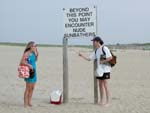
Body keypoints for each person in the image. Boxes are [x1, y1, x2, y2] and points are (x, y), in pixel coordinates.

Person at [79, 37, 112, 107]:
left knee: (105, 85)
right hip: (99, 70)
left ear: (98, 42)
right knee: (100, 85)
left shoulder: (104, 48)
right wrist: (82, 56)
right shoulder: (96, 50)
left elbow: (110, 58)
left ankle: (108, 102)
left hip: (106, 69)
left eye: (93, 41)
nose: (93, 43)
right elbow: (89, 59)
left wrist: (103, 61)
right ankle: (101, 101)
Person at [20, 41, 39, 107]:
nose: (36, 47)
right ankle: (25, 103)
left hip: (34, 72)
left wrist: (37, 54)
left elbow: (35, 60)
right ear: (30, 47)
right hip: (29, 72)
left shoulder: (33, 53)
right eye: (34, 46)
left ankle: (29, 102)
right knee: (28, 88)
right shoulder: (27, 53)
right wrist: (28, 65)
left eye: (36, 46)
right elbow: (22, 62)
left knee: (32, 88)